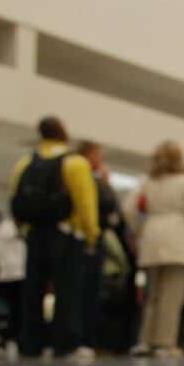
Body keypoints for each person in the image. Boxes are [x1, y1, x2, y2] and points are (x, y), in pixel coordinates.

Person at [10, 116, 100, 361]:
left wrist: (23, 227)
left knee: (33, 289)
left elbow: (15, 196)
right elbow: (85, 202)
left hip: (35, 232)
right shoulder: (75, 163)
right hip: (65, 234)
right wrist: (91, 233)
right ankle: (66, 343)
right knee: (67, 288)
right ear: (63, 133)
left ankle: (30, 343)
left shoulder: (25, 162)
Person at [122, 141, 184, 358]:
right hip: (178, 241)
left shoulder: (146, 182)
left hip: (151, 239)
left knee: (153, 295)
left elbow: (128, 209)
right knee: (172, 295)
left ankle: (145, 341)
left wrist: (139, 230)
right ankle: (165, 343)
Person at [76, 141, 124, 351]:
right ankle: (84, 339)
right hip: (89, 239)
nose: (101, 160)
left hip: (88, 239)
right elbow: (105, 206)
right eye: (99, 155)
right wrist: (105, 183)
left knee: (88, 291)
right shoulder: (86, 178)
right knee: (86, 291)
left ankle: (86, 338)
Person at [0, 216, 26, 354]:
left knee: (6, 308)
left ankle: (5, 337)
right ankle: (15, 336)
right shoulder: (18, 231)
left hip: (4, 274)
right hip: (17, 273)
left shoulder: (0, 228)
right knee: (16, 308)